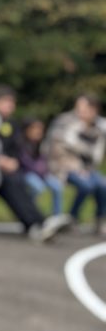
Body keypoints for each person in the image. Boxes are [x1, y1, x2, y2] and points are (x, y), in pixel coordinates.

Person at [0, 85, 69, 242]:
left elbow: (14, 148)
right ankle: (35, 223)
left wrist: (11, 161)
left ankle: (39, 222)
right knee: (12, 182)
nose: (11, 106)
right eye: (7, 102)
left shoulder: (9, 124)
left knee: (18, 180)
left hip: (3, 170)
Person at [46, 94, 106, 234]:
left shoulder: (98, 127)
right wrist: (78, 167)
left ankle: (100, 219)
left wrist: (86, 167)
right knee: (86, 186)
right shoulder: (65, 122)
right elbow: (56, 150)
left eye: (85, 108)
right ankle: (71, 218)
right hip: (63, 167)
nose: (80, 111)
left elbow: (95, 156)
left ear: (94, 110)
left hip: (87, 169)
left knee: (103, 185)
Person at [17, 117, 62, 217]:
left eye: (40, 129)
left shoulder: (41, 144)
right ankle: (30, 212)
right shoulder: (21, 144)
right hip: (26, 173)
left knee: (57, 186)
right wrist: (40, 169)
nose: (38, 132)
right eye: (35, 128)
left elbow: (45, 161)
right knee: (38, 187)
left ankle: (57, 216)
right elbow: (26, 163)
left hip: (42, 173)